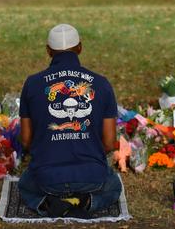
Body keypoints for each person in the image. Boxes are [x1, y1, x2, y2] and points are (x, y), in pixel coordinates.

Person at [18, 24, 121, 218]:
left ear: (48, 51)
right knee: (113, 187)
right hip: (91, 178)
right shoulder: (101, 83)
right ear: (80, 48)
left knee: (25, 184)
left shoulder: (32, 83)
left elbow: (25, 140)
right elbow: (109, 143)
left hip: (47, 179)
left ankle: (50, 202)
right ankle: (86, 202)